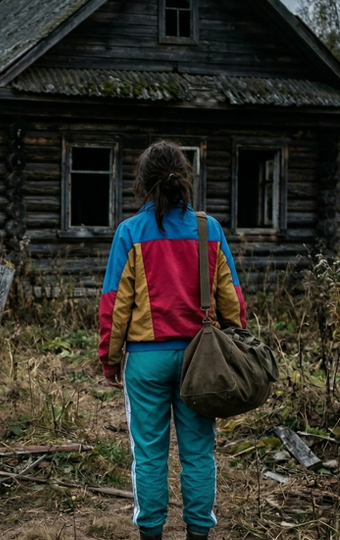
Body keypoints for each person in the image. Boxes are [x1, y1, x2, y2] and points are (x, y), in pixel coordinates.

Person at [98, 140, 246, 540]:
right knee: (199, 453)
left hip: (146, 362)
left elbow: (114, 304)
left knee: (148, 455)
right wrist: (238, 343)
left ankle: (151, 533)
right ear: (184, 178)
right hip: (201, 361)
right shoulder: (208, 229)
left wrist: (110, 360)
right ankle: (199, 533)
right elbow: (231, 297)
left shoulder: (130, 232)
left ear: (142, 184)